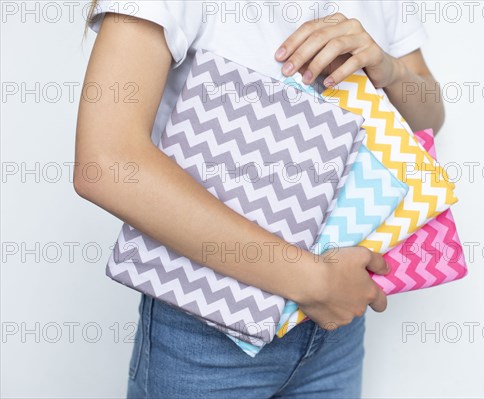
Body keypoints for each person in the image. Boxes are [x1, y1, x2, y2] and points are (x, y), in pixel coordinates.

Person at [76, 1, 444, 397]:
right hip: (208, 322)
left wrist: (389, 70)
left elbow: (428, 120)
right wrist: (314, 281)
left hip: (335, 327)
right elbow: (108, 163)